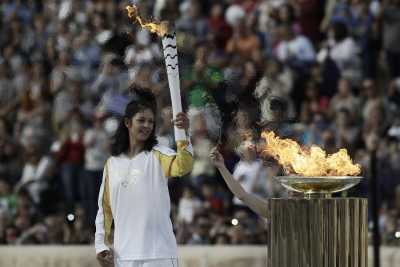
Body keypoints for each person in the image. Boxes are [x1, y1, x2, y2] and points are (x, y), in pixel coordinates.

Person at [95, 86, 193, 267]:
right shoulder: (112, 163)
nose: (147, 125)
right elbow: (105, 209)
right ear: (127, 123)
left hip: (159, 254)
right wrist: (101, 245)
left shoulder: (159, 154)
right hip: (124, 256)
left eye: (151, 122)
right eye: (141, 120)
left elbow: (183, 166)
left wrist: (184, 134)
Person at [209, 146, 268, 219]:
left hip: (257, 200)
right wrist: (221, 167)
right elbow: (241, 194)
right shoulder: (240, 166)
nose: (249, 154)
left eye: (250, 152)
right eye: (247, 152)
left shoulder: (259, 165)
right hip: (242, 202)